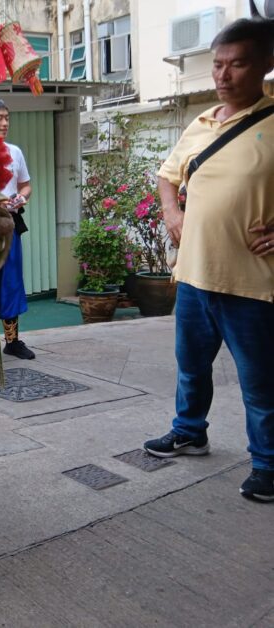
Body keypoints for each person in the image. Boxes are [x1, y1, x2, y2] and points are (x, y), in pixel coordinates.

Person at [142, 18, 274, 502]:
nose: (223, 74)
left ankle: (267, 464)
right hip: (195, 276)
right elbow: (166, 176)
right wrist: (172, 209)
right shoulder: (200, 124)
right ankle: (190, 431)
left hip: (253, 284)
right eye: (217, 64)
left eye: (237, 63)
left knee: (260, 382)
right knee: (190, 367)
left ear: (265, 64)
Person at [0, 99, 35, 359]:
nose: (4, 123)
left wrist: (21, 197)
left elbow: (25, 185)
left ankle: (12, 342)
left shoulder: (14, 152)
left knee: (11, 281)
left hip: (9, 224)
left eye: (7, 118)